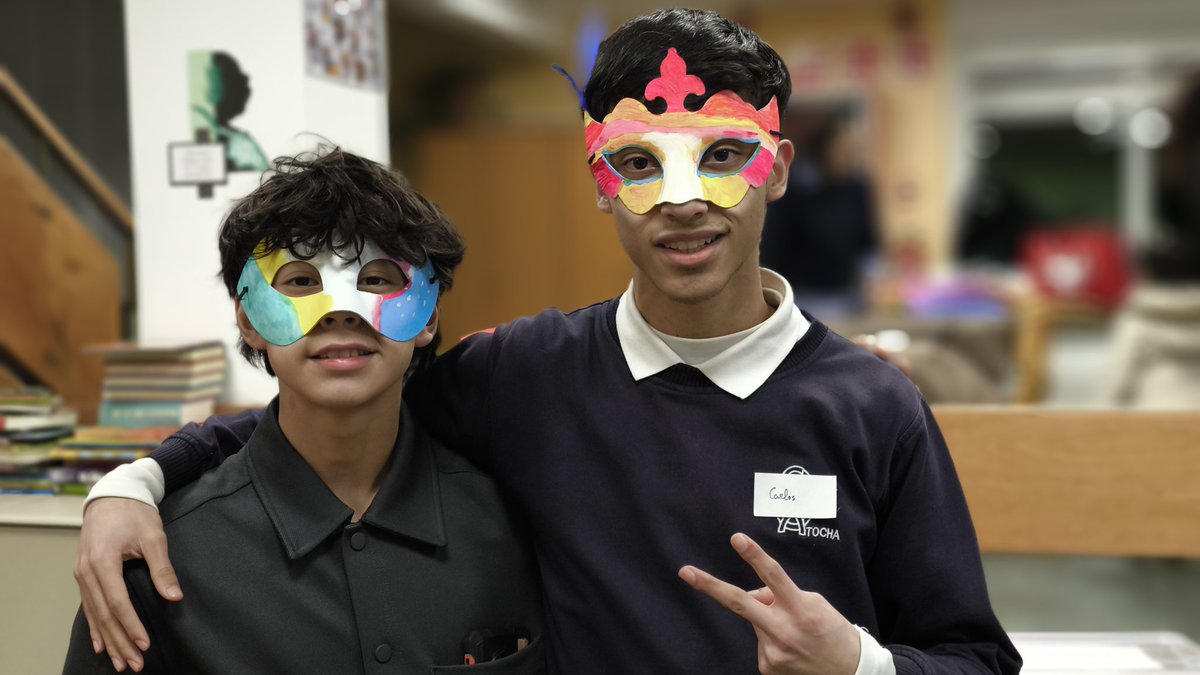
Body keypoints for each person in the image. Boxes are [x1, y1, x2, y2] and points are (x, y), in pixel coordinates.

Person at [75, 9, 1020, 674]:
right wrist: (135, 479)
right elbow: (333, 394)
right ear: (602, 183)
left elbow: (978, 656)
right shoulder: (523, 374)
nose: (684, 199)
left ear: (776, 170)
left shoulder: (874, 406)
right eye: (640, 164)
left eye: (724, 157)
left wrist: (858, 664)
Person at [64, 149, 545, 673]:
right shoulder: (158, 561)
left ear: (428, 315)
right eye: (299, 281)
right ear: (248, 321)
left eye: (378, 279)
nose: (339, 311)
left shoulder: (514, 526)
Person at [761, 111, 880, 319]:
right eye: (843, 149)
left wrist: (872, 278)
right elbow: (774, 245)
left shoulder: (857, 187)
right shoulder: (797, 189)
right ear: (825, 148)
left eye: (854, 150)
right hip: (805, 295)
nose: (849, 156)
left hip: (848, 295)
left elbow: (867, 241)